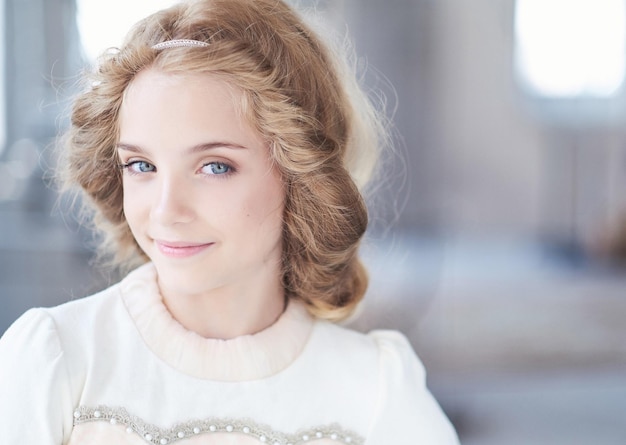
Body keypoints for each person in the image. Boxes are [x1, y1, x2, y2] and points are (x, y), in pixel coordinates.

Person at [0, 0, 459, 443]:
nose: (165, 210)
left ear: (301, 176)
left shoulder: (375, 392)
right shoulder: (56, 358)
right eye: (141, 165)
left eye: (215, 166)